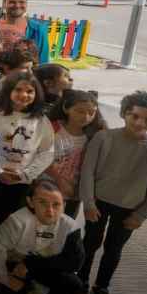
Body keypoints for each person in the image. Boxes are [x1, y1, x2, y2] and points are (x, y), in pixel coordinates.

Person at [76, 90, 147, 294]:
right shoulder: (104, 138)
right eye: (135, 116)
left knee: (114, 248)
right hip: (99, 202)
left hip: (130, 208)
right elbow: (88, 171)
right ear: (124, 114)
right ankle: (80, 282)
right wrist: (88, 203)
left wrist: (142, 215)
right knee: (90, 242)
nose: (141, 122)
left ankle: (101, 287)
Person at [0, 72, 56, 277]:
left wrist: (26, 174)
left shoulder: (41, 121)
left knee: (8, 219)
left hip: (21, 181)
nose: (23, 95)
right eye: (18, 90)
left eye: (29, 91)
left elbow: (47, 152)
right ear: (8, 91)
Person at [0, 178, 85, 294]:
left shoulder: (71, 227)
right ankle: (19, 286)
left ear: (64, 206)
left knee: (74, 284)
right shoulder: (17, 221)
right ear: (31, 202)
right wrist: (5, 278)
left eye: (56, 204)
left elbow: (75, 262)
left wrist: (30, 263)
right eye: (43, 203)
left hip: (39, 265)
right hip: (15, 262)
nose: (50, 211)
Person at [45, 89, 105, 219]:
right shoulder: (52, 128)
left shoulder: (93, 136)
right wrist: (60, 181)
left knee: (67, 223)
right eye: (80, 111)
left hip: (74, 192)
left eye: (91, 112)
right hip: (47, 185)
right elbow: (42, 158)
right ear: (66, 108)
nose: (86, 117)